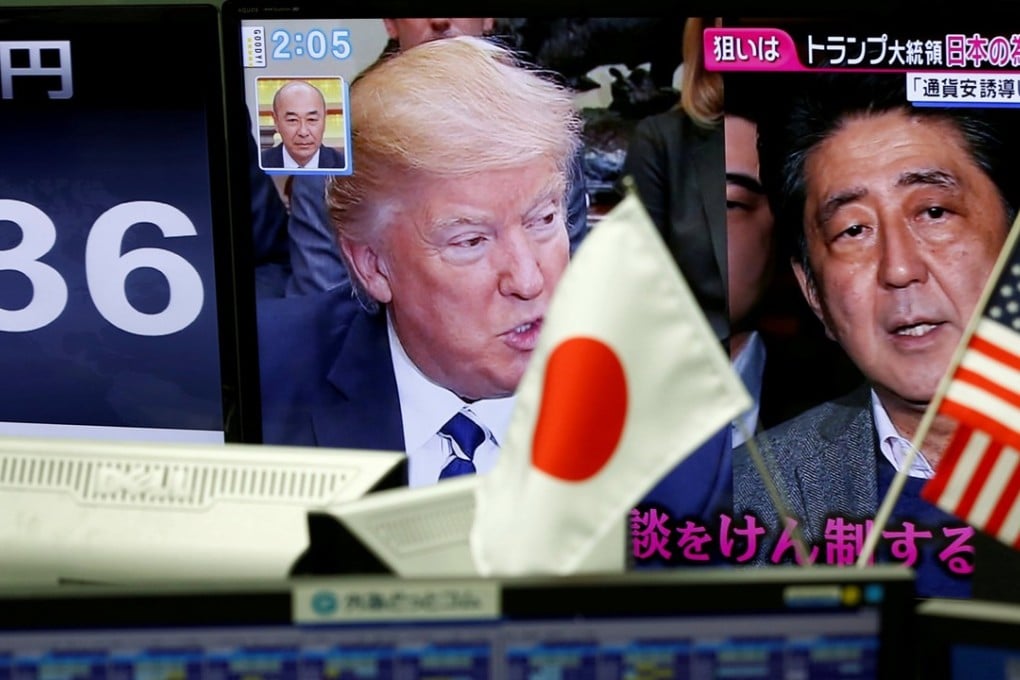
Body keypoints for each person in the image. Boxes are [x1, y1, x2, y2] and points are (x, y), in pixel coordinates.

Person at [734, 73, 1017, 596]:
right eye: (853, 230)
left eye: (933, 212)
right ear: (813, 293)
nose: (899, 268)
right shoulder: (753, 492)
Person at [258, 37, 580, 488]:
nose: (528, 280)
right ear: (372, 265)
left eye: (543, 219)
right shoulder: (259, 375)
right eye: (471, 241)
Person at [281, 17, 589, 297]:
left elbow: (569, 294)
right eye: (469, 240)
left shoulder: (549, 129)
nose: (440, 20)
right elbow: (322, 313)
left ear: (488, 18)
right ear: (390, 22)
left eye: (543, 220)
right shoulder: (334, 156)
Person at [260, 80, 345, 170]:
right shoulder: (258, 165)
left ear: (324, 119)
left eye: (312, 119)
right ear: (276, 122)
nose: (303, 132)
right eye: (292, 120)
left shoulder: (343, 164)